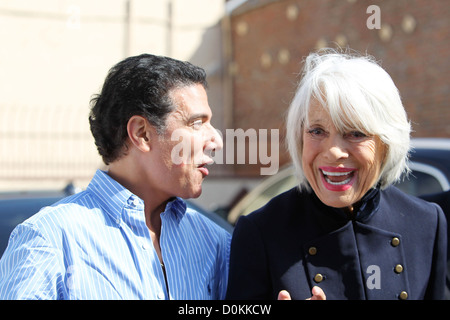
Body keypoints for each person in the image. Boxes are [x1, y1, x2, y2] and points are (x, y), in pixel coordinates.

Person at [0, 54, 230, 299]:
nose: (216, 140)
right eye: (196, 123)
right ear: (142, 133)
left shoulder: (215, 242)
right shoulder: (50, 239)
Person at [226, 49, 447, 300]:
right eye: (317, 131)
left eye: (355, 133)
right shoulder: (261, 232)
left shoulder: (426, 223)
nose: (333, 152)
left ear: (387, 142)